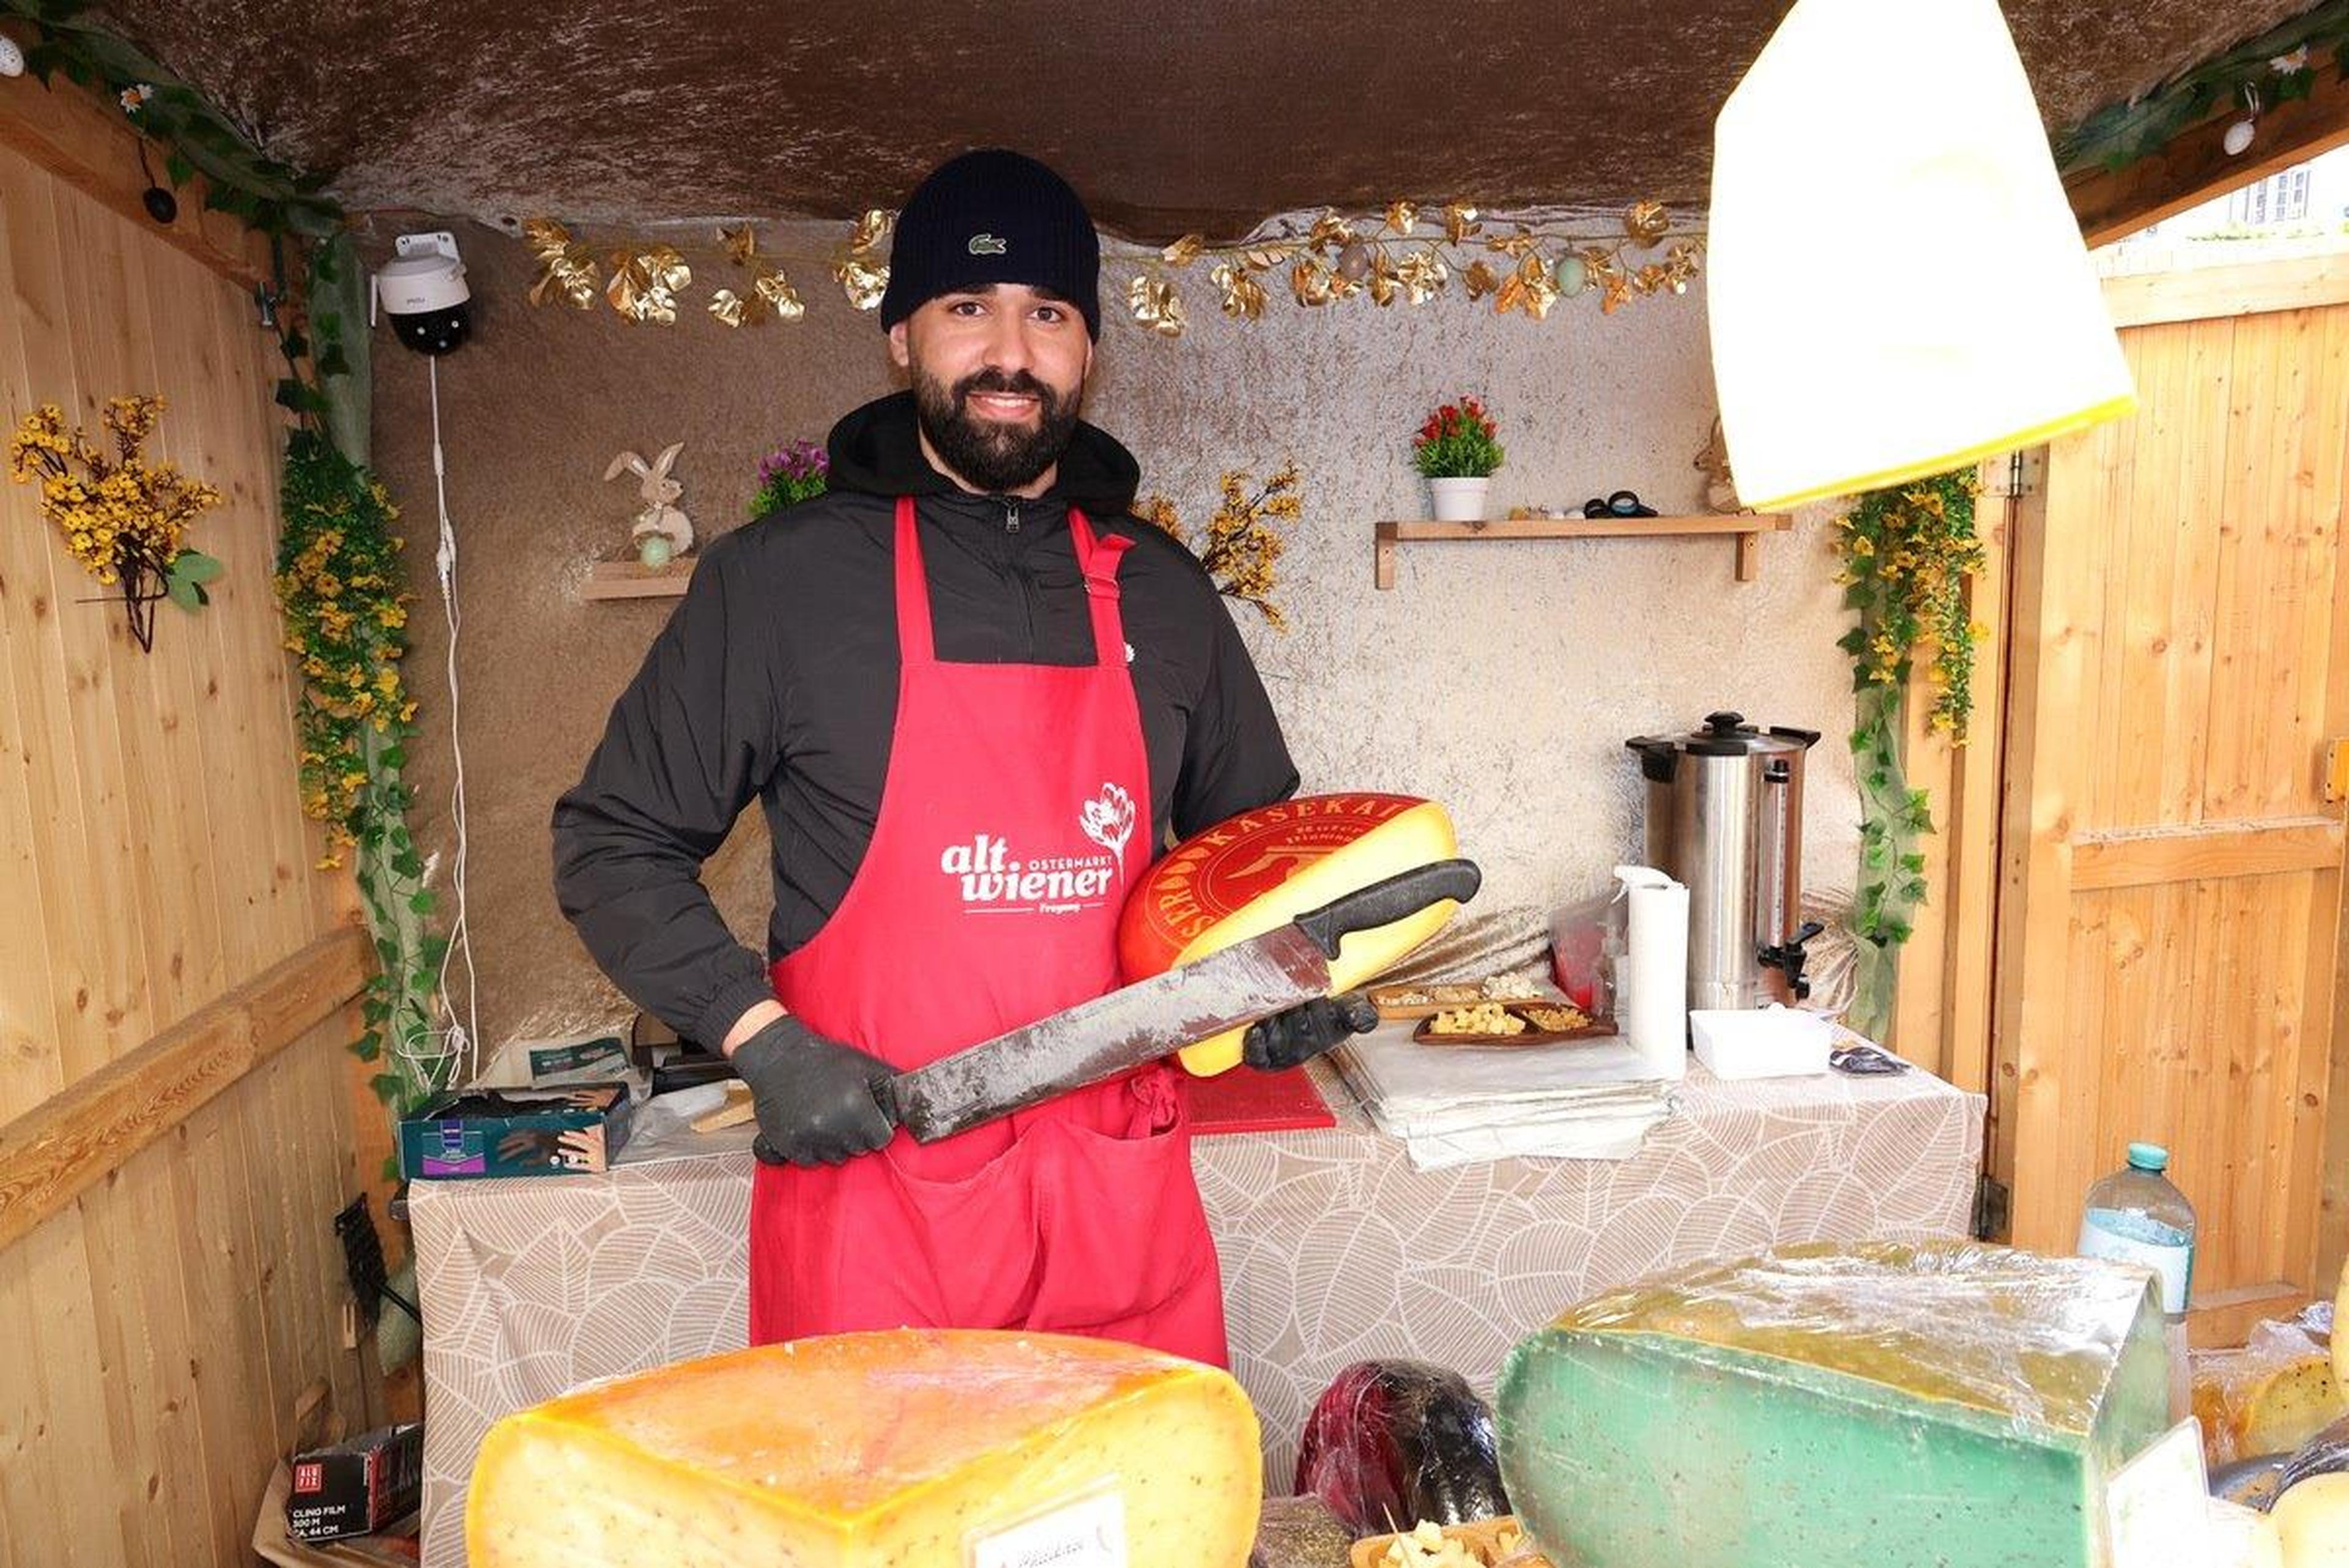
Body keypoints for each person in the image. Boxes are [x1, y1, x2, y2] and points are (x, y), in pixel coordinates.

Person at [552, 149, 1371, 1366]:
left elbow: (1242, 859)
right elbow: (614, 841)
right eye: (966, 309)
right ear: (902, 338)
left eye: (1048, 313)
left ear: (1089, 348)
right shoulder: (781, 585)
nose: (1009, 351)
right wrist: (761, 1039)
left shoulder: (1163, 588)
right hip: (879, 1195)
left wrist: (1264, 996)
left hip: (1115, 1204)